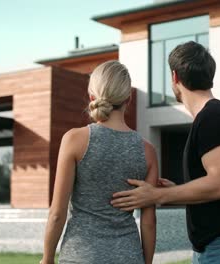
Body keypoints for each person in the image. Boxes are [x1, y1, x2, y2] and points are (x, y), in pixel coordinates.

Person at [111, 41, 220, 264]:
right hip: (214, 249)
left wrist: (157, 195)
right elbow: (214, 187)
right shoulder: (210, 118)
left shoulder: (214, 117)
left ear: (175, 77)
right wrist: (177, 191)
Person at [40, 60, 157, 264]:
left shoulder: (74, 140)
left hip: (80, 256)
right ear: (128, 98)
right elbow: (149, 223)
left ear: (92, 96)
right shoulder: (148, 151)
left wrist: (47, 258)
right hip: (128, 257)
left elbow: (57, 213)